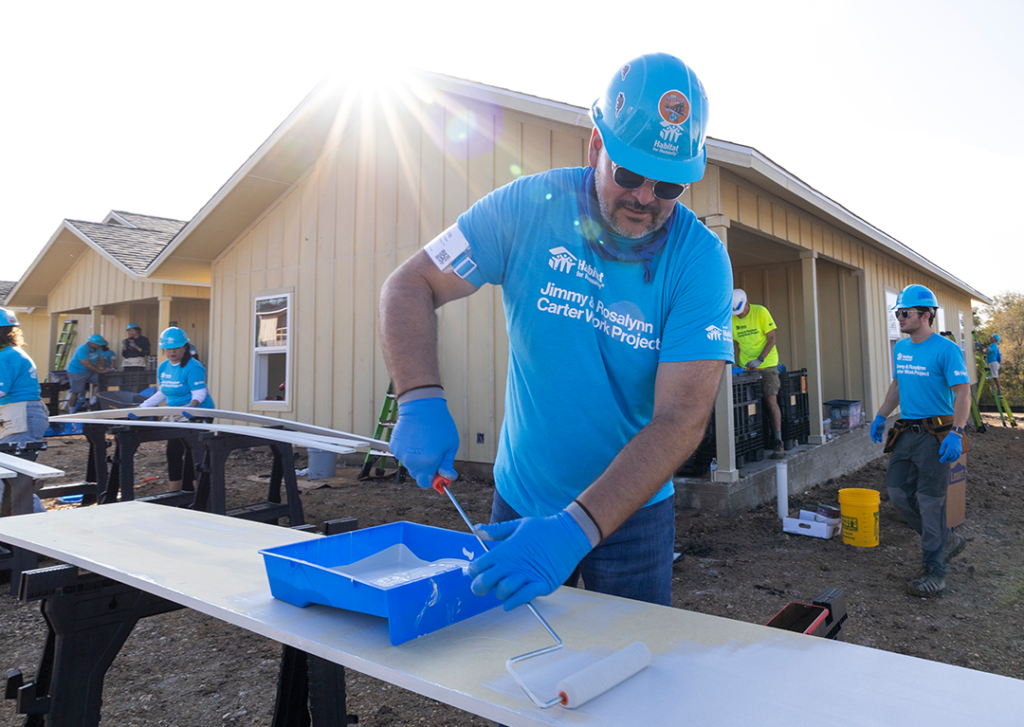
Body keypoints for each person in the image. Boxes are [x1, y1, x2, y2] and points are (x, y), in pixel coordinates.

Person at [380, 53, 733, 611]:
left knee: (628, 674)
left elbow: (681, 419)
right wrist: (419, 397)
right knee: (516, 668)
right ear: (596, 147)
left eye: (669, 186)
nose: (645, 198)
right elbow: (411, 284)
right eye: (630, 173)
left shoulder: (700, 260)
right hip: (522, 501)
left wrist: (576, 529)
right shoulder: (528, 207)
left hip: (634, 516)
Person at [869, 284, 970, 597]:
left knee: (930, 502)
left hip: (936, 436)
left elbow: (963, 392)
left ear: (926, 315)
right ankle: (946, 538)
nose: (899, 318)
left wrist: (958, 431)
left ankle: (935, 572)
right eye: (897, 313)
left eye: (905, 312)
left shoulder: (946, 350)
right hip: (906, 432)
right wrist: (881, 415)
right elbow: (897, 385)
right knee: (898, 493)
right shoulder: (901, 349)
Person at [137, 327, 215, 491]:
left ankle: (195, 493)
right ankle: (174, 491)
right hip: (175, 413)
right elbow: (163, 393)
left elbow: (200, 393)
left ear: (184, 347)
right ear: (163, 349)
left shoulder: (193, 367)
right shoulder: (164, 367)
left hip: (198, 412)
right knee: (173, 452)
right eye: (168, 348)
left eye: (176, 348)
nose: (172, 352)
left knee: (192, 454)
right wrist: (141, 408)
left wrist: (190, 408)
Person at [0, 307, 48, 515]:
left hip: (21, 414)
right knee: (14, 476)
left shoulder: (6, 356)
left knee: (13, 476)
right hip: (20, 413)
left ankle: (37, 531)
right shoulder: (11, 353)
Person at [731, 289, 785, 459]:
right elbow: (732, 343)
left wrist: (760, 359)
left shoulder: (760, 312)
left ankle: (778, 441)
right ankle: (750, 442)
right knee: (746, 404)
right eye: (736, 313)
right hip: (745, 367)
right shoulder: (731, 318)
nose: (739, 315)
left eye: (741, 312)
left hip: (767, 365)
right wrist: (732, 362)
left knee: (770, 400)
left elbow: (772, 339)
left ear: (747, 303)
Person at [65, 334, 110, 412]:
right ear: (92, 343)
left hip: (90, 371)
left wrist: (104, 369)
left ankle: (93, 401)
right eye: (98, 344)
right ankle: (71, 411)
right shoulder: (82, 349)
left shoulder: (98, 348)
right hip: (77, 371)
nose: (100, 346)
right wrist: (100, 371)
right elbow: (86, 363)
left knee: (101, 382)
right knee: (76, 391)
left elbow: (101, 359)